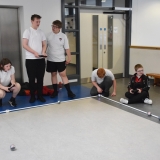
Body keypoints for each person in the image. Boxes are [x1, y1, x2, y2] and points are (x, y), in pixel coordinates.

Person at [46, 20, 75, 98]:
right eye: (52, 26)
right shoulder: (48, 35)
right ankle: (55, 91)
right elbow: (45, 46)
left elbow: (67, 48)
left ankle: (69, 92)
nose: (53, 28)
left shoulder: (63, 36)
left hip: (60, 59)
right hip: (51, 59)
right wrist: (43, 53)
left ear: (59, 28)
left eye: (55, 27)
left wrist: (69, 57)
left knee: (63, 75)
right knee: (53, 74)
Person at [22, 14, 47, 103]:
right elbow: (24, 45)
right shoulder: (27, 31)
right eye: (37, 21)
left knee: (40, 79)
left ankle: (40, 95)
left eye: (39, 21)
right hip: (30, 60)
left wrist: (43, 52)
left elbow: (44, 44)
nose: (38, 23)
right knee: (31, 79)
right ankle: (32, 96)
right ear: (32, 21)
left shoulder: (41, 32)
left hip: (40, 60)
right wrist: (34, 52)